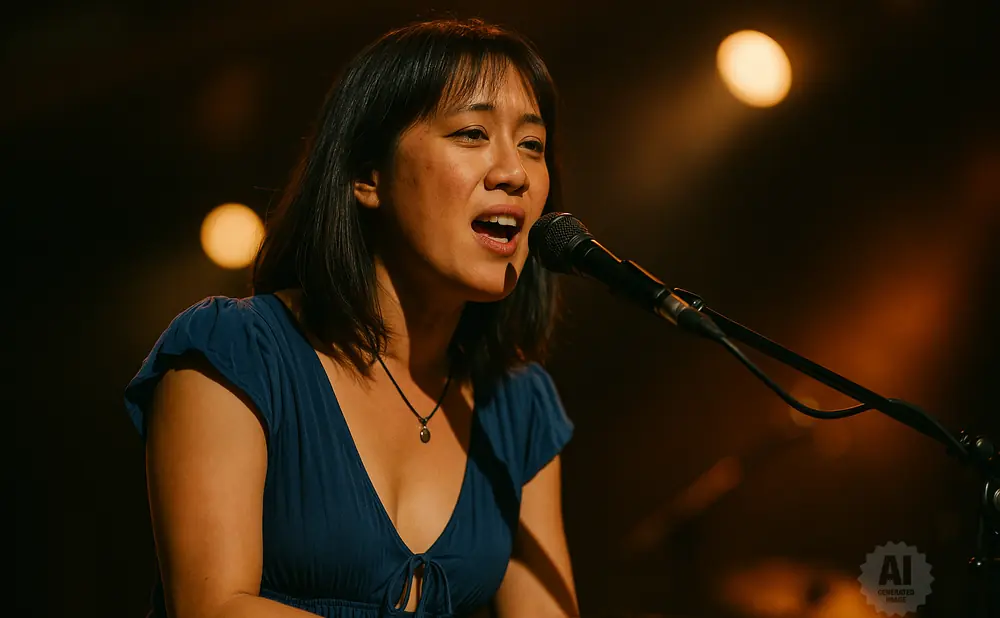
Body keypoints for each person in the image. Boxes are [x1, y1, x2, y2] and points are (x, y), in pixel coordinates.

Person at [124, 17, 580, 618]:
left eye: (532, 145)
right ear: (368, 176)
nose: (513, 173)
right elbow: (213, 606)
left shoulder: (517, 406)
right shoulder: (235, 350)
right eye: (471, 133)